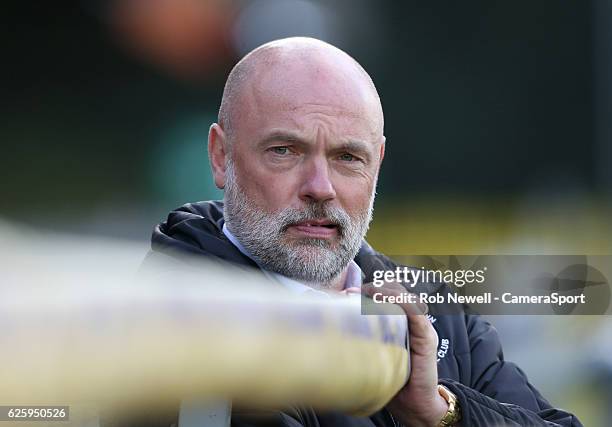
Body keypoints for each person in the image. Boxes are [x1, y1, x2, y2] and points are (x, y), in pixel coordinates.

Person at [144, 37, 583, 426]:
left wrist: (443, 412)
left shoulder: (441, 316)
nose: (321, 188)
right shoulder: (167, 317)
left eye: (348, 157)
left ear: (378, 165)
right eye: (284, 150)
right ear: (221, 157)